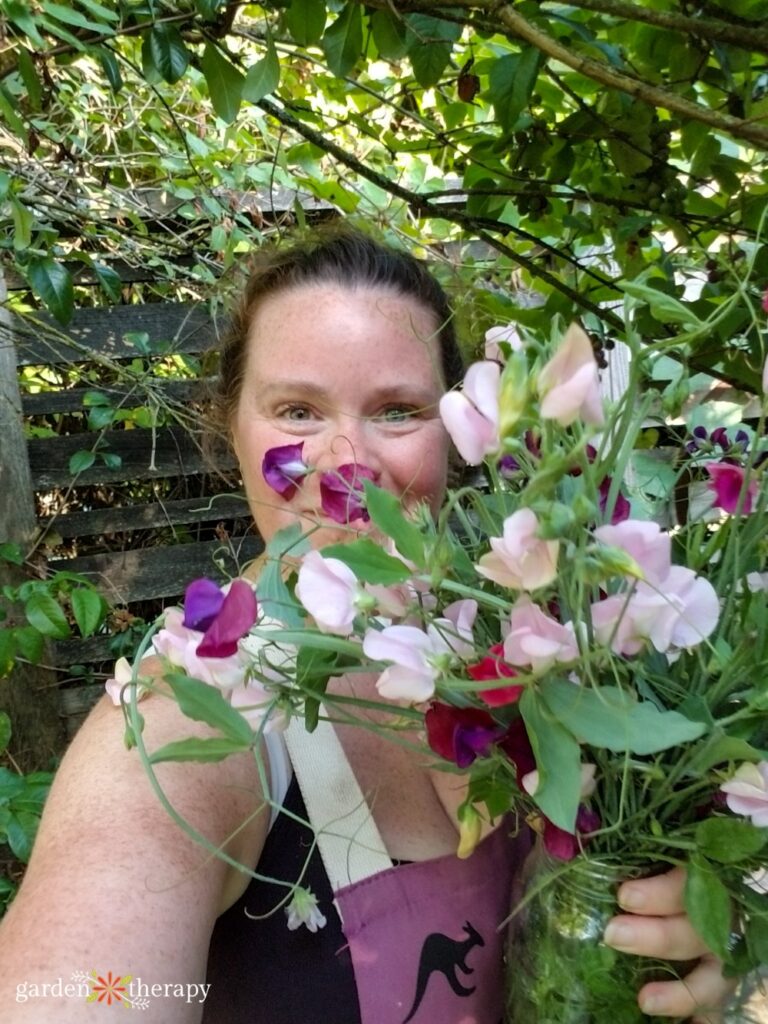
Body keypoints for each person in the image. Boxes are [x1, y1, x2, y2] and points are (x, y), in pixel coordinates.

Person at [0, 228, 734, 1023]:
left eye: (397, 411)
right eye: (297, 410)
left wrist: (688, 930)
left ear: (457, 433)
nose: (347, 462)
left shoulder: (540, 640)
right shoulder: (185, 716)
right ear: (230, 429)